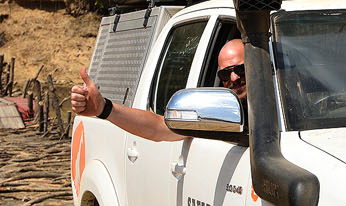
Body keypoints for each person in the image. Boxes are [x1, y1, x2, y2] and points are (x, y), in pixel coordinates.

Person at [71, 38, 246, 142]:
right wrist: (103, 109)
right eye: (225, 74)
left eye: (241, 70)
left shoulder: (274, 106)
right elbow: (157, 127)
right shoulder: (216, 113)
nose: (233, 79)